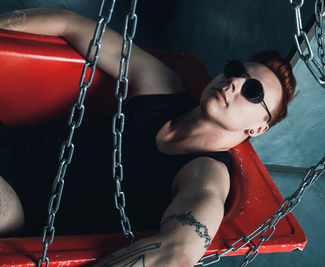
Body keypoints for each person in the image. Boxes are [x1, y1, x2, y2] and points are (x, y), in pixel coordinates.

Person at [0, 5, 296, 267]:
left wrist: (177, 247)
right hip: (11, 144)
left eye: (253, 91)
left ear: (258, 129)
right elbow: (69, 22)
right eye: (236, 70)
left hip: (22, 208)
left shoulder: (207, 170)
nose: (234, 82)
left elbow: (182, 245)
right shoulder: (162, 86)